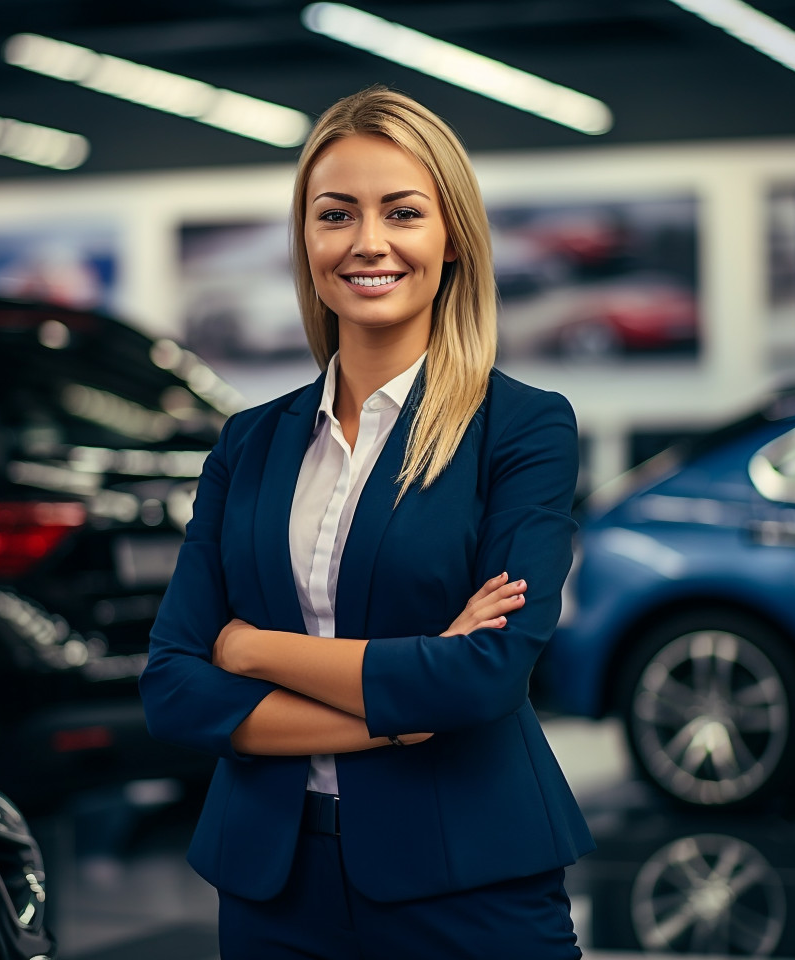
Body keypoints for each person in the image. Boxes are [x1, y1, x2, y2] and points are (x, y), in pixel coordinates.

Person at [140, 85, 594, 959]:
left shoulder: (523, 429)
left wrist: (253, 651)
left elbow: (482, 679)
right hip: (275, 888)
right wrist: (395, 711)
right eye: (336, 214)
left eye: (403, 212)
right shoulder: (249, 443)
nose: (368, 242)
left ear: (451, 235)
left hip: (466, 881)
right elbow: (172, 689)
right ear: (307, 239)